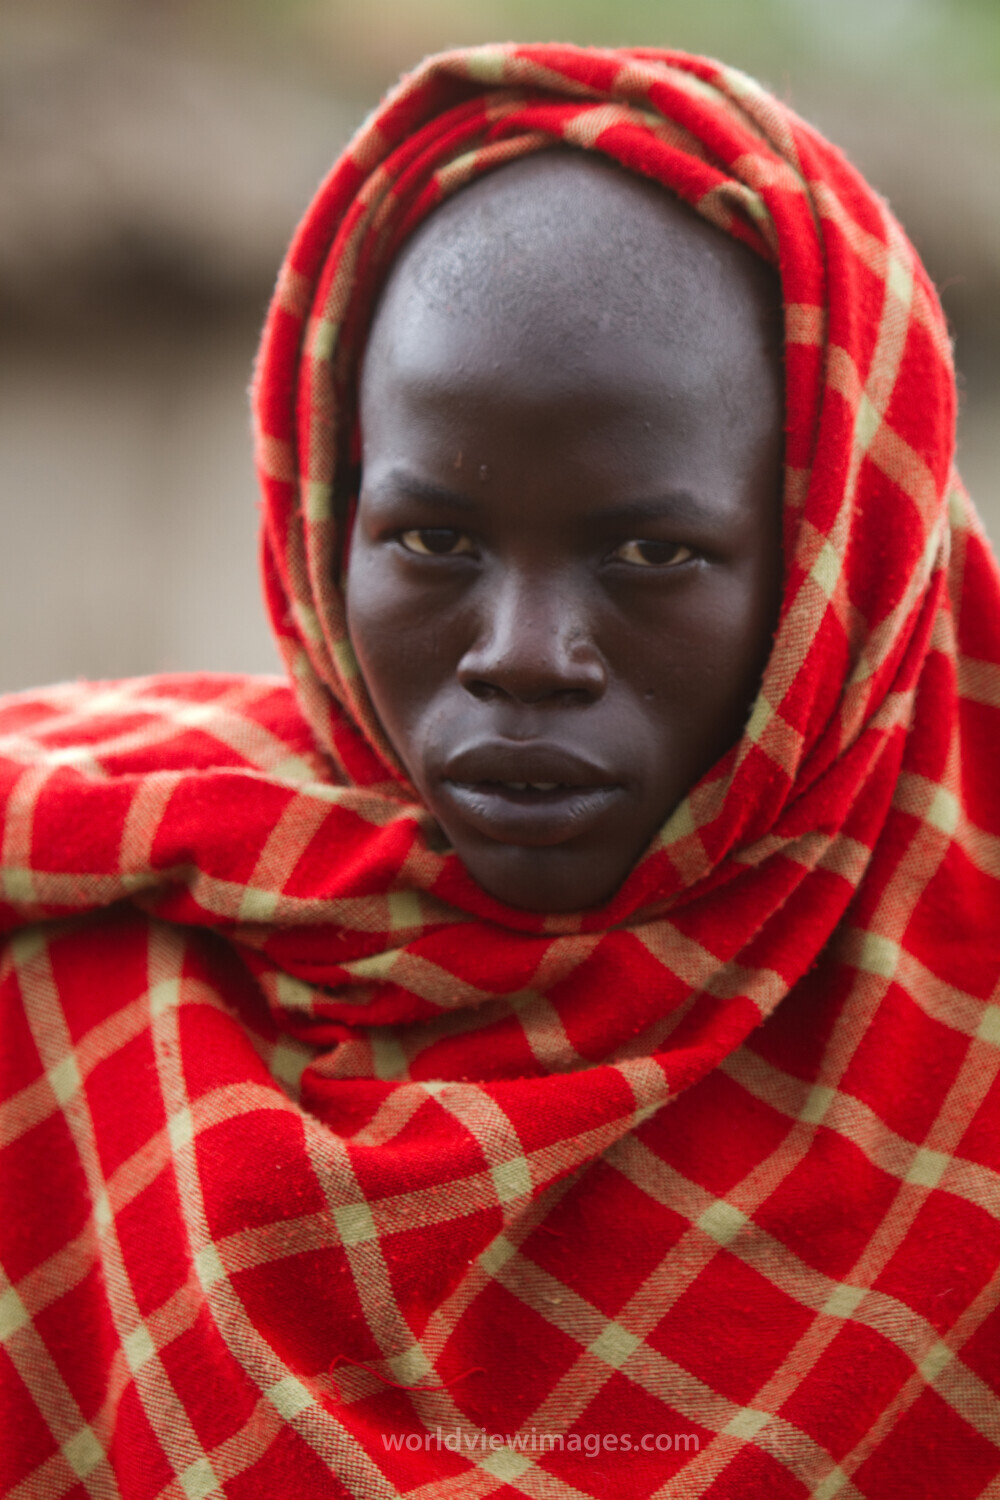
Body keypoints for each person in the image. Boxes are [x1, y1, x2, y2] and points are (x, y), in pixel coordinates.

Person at [1, 41, 998, 1499]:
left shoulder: (961, 1045)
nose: (526, 656)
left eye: (653, 554)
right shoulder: (80, 952)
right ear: (324, 512)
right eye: (433, 542)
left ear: (831, 575)